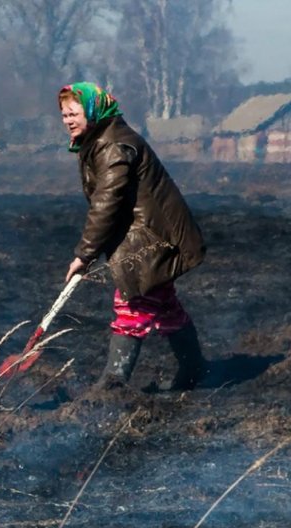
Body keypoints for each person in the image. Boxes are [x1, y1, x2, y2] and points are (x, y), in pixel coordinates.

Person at [59, 81, 207, 391]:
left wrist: (84, 254)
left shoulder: (112, 145)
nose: (68, 120)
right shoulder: (99, 140)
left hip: (154, 239)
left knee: (132, 303)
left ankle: (112, 385)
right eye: (64, 115)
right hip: (148, 235)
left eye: (74, 113)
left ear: (91, 111)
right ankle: (194, 369)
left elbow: (107, 202)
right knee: (164, 305)